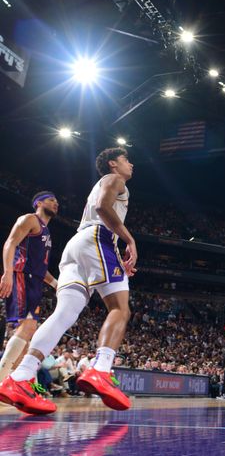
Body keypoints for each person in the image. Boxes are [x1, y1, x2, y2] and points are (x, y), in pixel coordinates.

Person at [0, 148, 136, 415]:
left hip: (77, 247)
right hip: (98, 239)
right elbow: (102, 208)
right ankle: (101, 369)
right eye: (126, 160)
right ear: (113, 164)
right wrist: (129, 239)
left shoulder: (103, 185)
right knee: (120, 308)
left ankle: (20, 378)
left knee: (63, 315)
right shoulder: (114, 179)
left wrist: (116, 254)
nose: (131, 164)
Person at [0, 192, 59, 381]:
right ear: (38, 203)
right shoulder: (29, 219)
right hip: (21, 275)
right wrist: (8, 272)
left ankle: (11, 382)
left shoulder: (47, 232)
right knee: (27, 326)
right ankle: (2, 377)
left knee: (27, 333)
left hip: (35, 280)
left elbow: (41, 268)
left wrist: (57, 284)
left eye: (57, 201)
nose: (55, 203)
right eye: (51, 199)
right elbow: (10, 243)